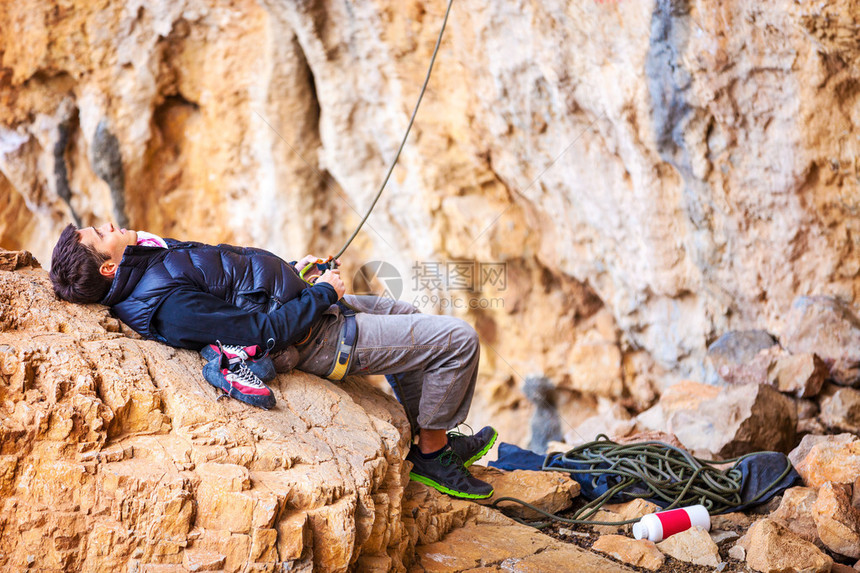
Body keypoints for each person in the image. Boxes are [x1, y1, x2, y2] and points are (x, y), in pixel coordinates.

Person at [49, 222, 497, 499]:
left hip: (309, 303)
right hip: (321, 335)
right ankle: (433, 457)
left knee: (411, 317)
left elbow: (231, 277)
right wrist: (324, 293)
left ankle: (424, 437)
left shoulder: (147, 261)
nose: (108, 224)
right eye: (101, 234)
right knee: (457, 340)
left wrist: (295, 270)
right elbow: (258, 333)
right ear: (110, 267)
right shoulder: (165, 305)